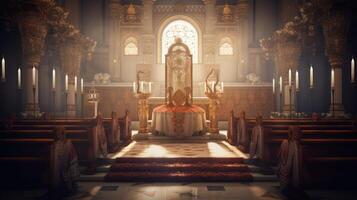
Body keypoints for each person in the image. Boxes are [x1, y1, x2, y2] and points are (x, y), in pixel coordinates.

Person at [51, 126, 80, 197]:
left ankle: (72, 184)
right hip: (61, 163)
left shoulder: (68, 143)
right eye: (59, 133)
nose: (61, 135)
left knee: (72, 168)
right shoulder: (56, 144)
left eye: (62, 133)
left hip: (70, 162)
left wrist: (67, 163)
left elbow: (73, 155)